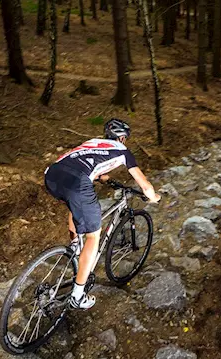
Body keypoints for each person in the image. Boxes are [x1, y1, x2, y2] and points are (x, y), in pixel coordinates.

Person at [44, 119, 161, 309]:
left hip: (52, 174)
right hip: (77, 181)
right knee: (93, 236)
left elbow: (85, 162)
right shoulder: (123, 151)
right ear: (122, 138)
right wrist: (153, 196)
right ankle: (78, 295)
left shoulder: (93, 142)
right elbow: (145, 185)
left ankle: (74, 247)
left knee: (73, 203)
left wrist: (103, 177)